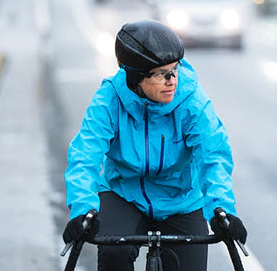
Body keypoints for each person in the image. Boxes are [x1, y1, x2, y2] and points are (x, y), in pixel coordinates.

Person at [63, 20, 247, 270]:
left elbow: (213, 155)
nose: (172, 80)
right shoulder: (109, 100)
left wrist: (221, 209)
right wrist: (83, 210)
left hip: (181, 198)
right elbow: (84, 156)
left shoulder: (192, 101)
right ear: (136, 78)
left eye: (175, 70)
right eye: (161, 74)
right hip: (123, 193)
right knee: (114, 253)